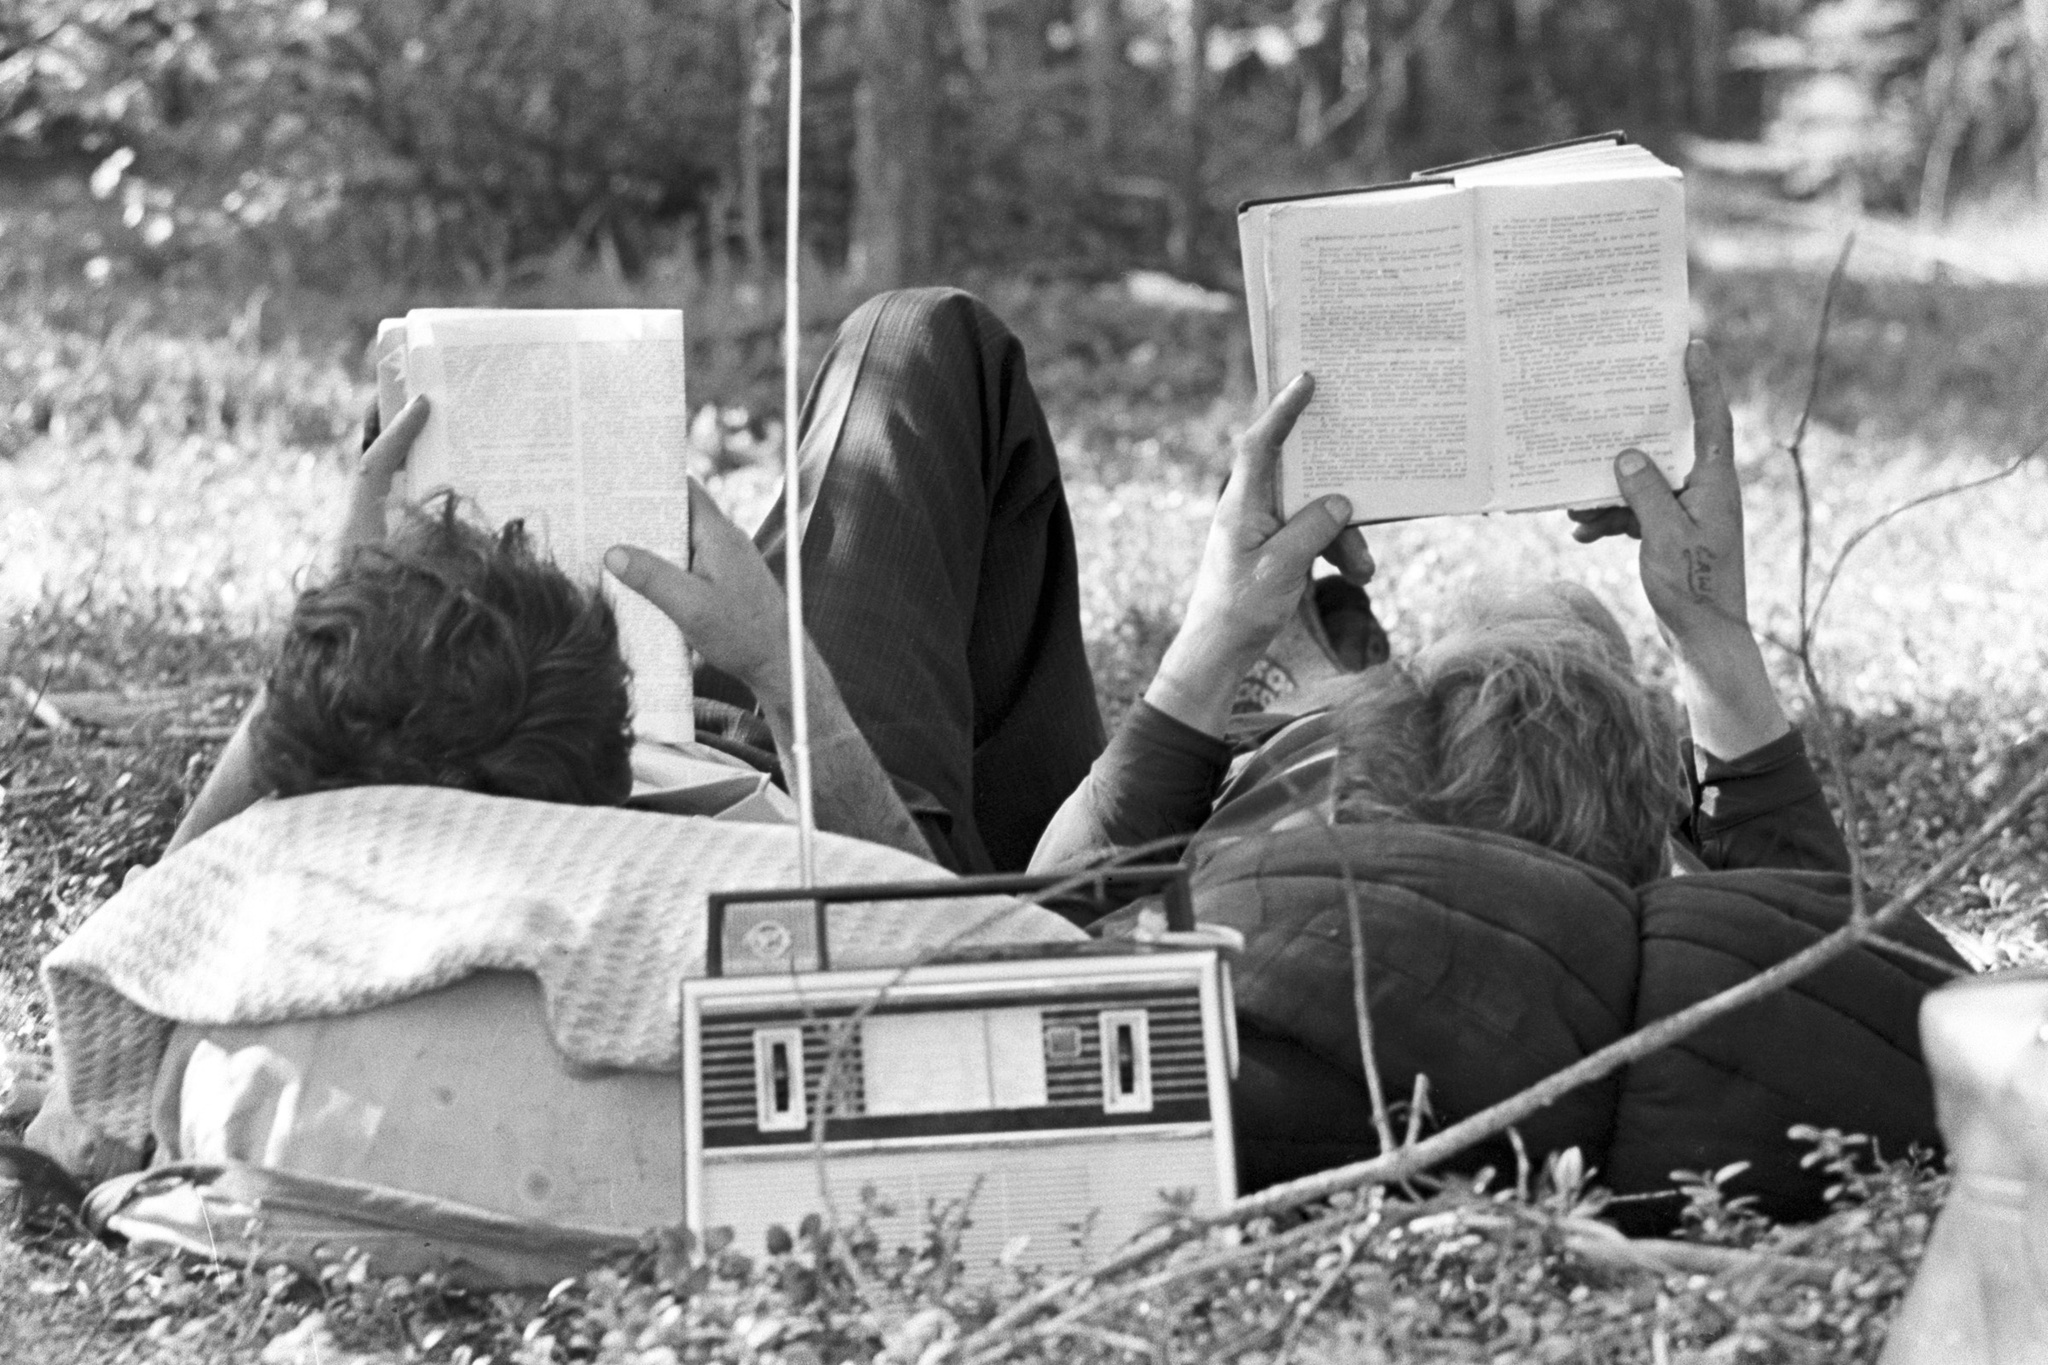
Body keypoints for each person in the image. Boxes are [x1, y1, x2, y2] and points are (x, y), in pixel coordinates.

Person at [168, 288, 1843, 891]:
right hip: (965, 850)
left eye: (1387, 681)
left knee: (919, 349)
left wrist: (772, 657)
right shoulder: (1621, 897)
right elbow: (1815, 930)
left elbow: (1008, 936)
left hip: (889, 853)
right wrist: (1710, 650)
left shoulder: (1278, 927)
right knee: (925, 348)